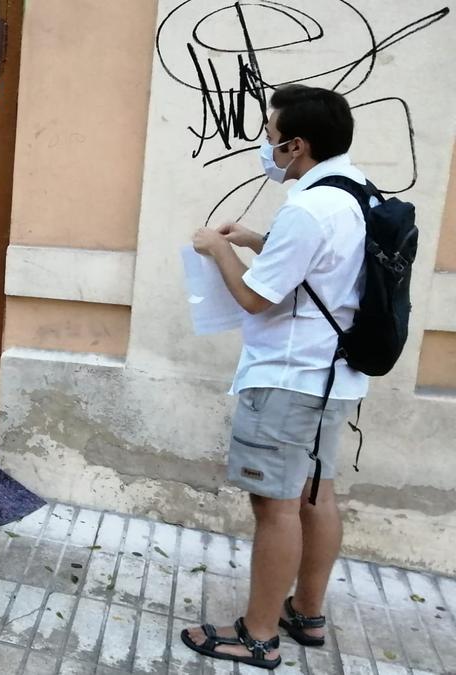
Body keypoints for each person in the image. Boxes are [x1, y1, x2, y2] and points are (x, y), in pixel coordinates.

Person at [183, 84, 368, 669]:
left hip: (289, 378)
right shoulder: (355, 190)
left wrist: (217, 250)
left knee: (277, 506)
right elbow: (322, 269)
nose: (267, 146)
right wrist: (256, 240)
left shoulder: (308, 207)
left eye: (271, 136)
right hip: (331, 376)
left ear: (297, 145)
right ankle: (306, 613)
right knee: (317, 494)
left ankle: (258, 635)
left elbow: (256, 300)